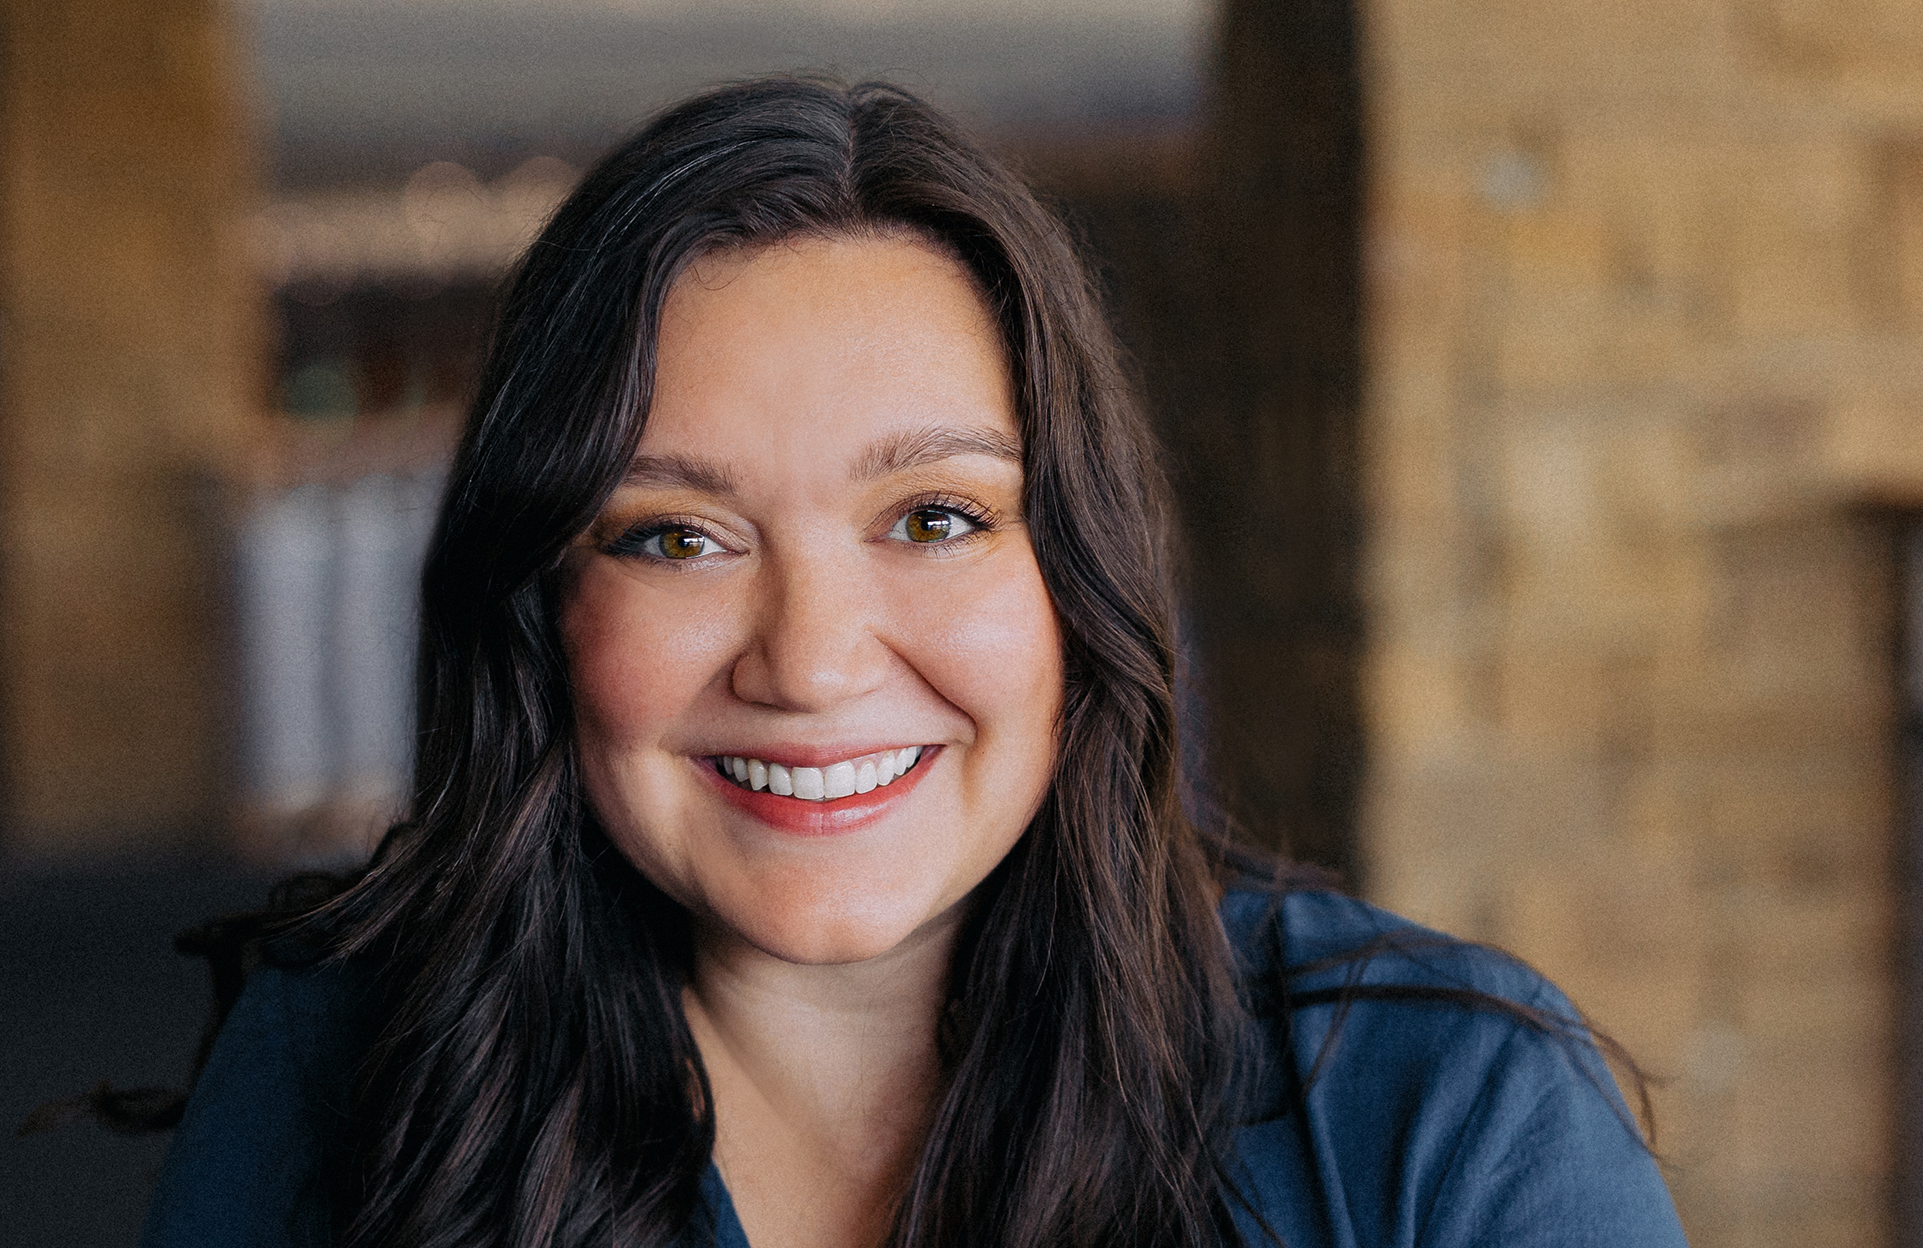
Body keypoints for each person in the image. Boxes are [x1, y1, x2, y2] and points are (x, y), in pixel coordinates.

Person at [140, 77, 1688, 1248]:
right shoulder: (349, 1079)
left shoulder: (1440, 1119)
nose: (812, 663)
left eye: (935, 517)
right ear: (544, 609)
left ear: (1077, 573)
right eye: (677, 536)